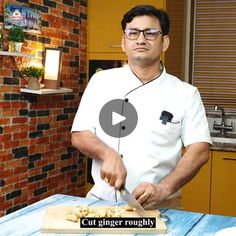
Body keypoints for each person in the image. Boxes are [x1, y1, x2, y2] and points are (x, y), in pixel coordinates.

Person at [71, 5, 212, 209]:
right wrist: (107, 154)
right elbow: (79, 134)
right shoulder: (100, 81)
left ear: (164, 42)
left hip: (161, 206)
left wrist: (163, 188)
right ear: (123, 42)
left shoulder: (185, 93)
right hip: (101, 204)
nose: (140, 39)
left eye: (151, 33)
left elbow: (199, 149)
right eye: (133, 33)